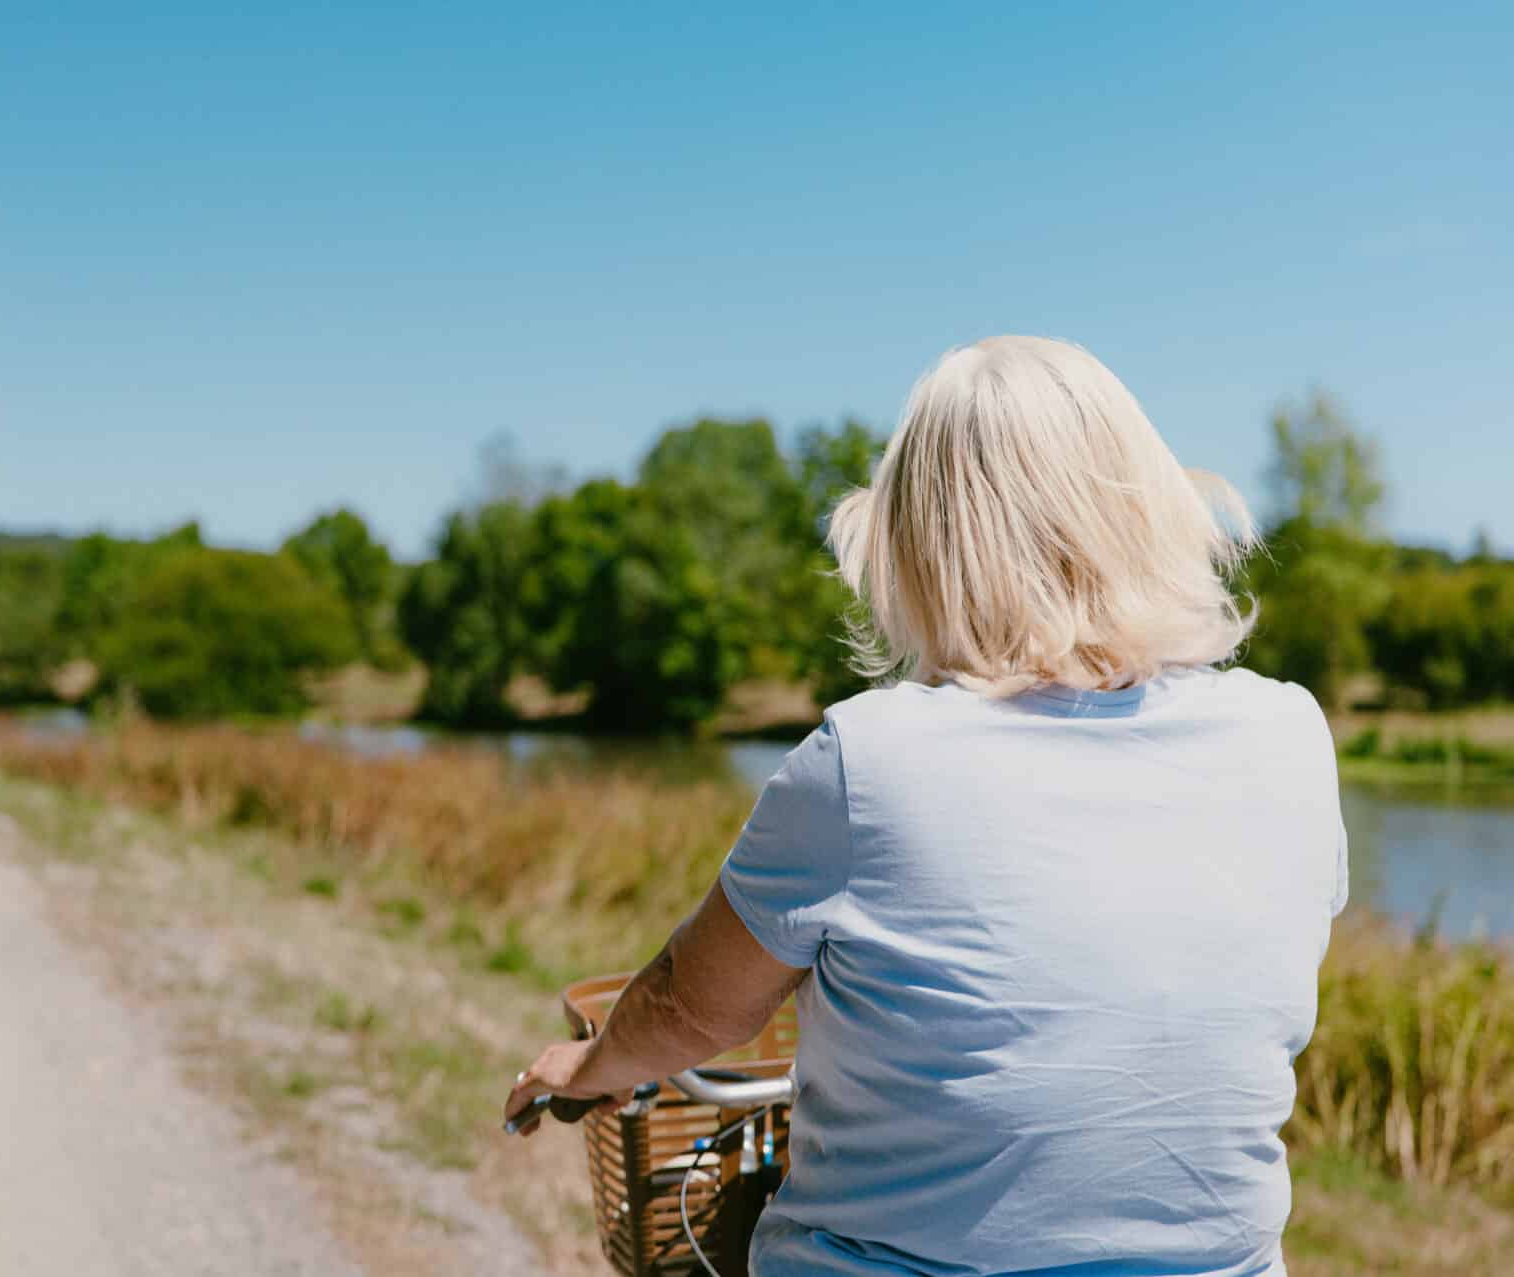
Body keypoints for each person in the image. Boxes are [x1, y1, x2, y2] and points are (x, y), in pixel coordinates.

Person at [503, 336, 1347, 1277]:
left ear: (928, 546)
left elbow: (691, 1011)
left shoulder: (871, 760)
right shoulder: (1290, 734)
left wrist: (589, 1068)